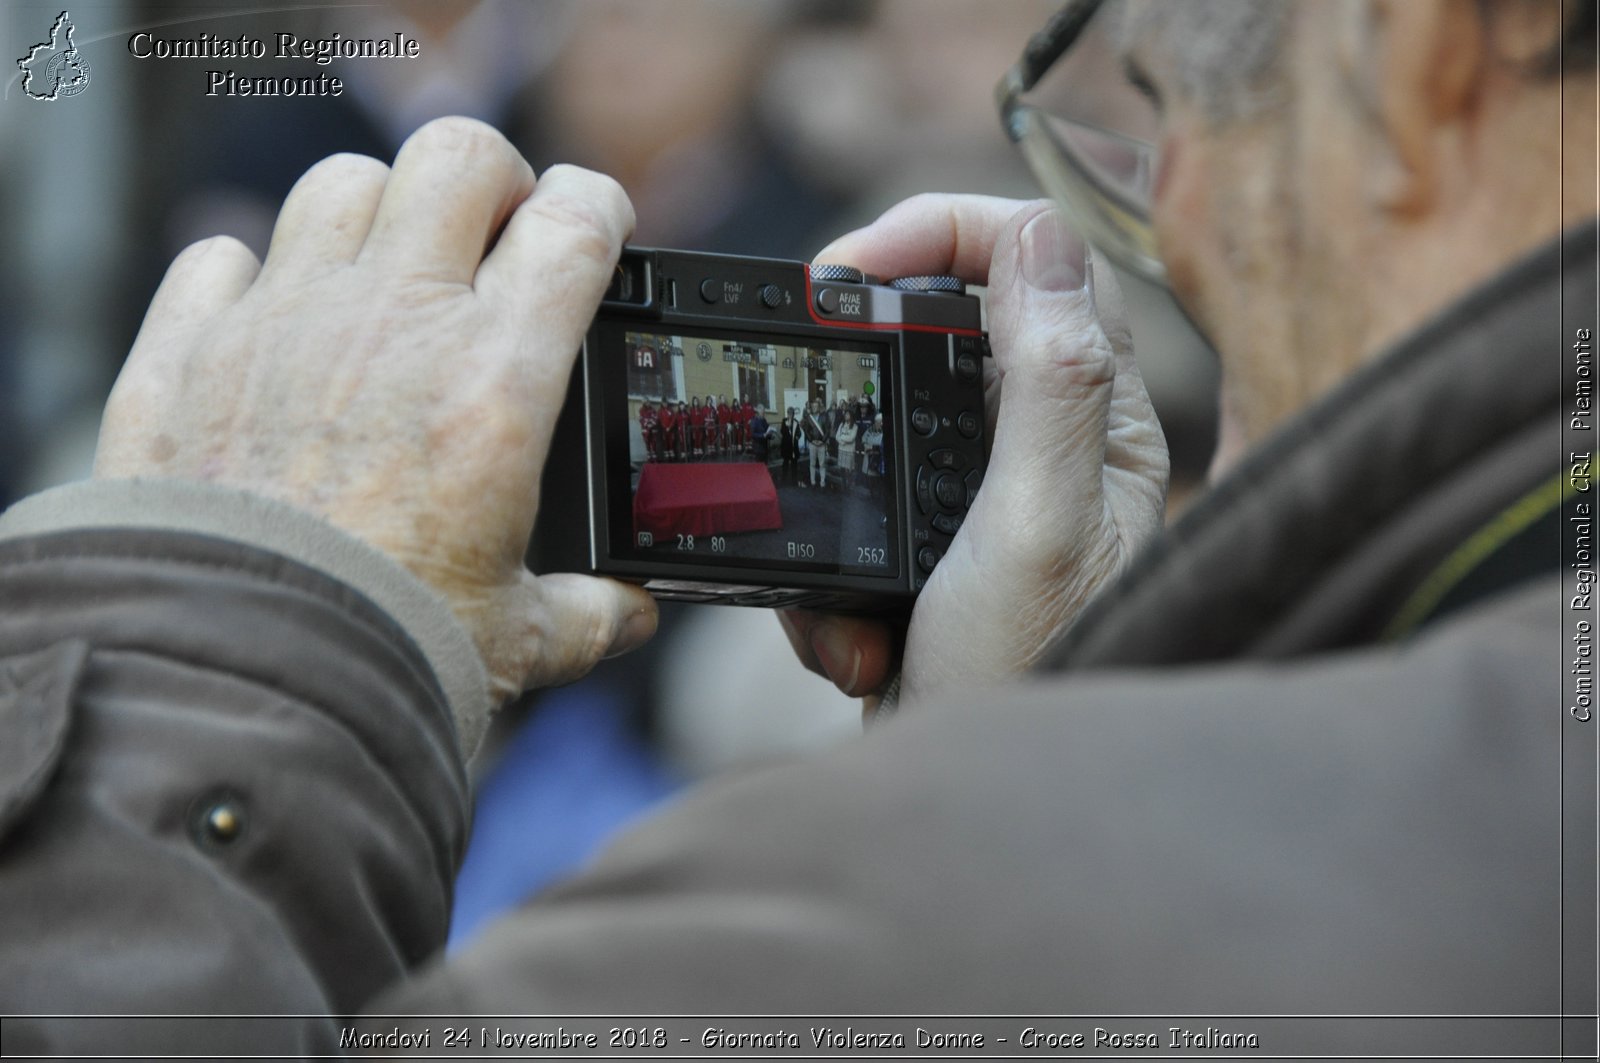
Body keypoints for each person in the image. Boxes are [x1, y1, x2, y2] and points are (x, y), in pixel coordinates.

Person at [0, 0, 1592, 1052]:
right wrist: (1053, 736)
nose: (1147, 226)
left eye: (1158, 109)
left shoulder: (844, 949)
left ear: (1423, 54)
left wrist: (229, 667)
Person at [802, 397, 830, 488]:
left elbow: (827, 430)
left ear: (819, 407)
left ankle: (822, 483)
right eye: (813, 407)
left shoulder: (824, 416)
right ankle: (813, 482)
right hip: (812, 444)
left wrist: (823, 441)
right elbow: (806, 430)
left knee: (822, 464)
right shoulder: (808, 418)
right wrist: (811, 440)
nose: (814, 408)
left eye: (816, 406)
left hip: (822, 444)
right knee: (812, 464)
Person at [835, 409, 859, 492]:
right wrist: (842, 440)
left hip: (849, 450)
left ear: (851, 416)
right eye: (845, 414)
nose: (846, 416)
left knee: (849, 470)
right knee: (842, 468)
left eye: (848, 414)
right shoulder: (841, 424)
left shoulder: (855, 426)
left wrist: (842, 438)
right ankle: (844, 484)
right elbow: (837, 436)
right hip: (841, 448)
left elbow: (851, 438)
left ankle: (849, 485)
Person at [780, 406, 801, 485]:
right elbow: (782, 431)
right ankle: (784, 480)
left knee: (794, 464)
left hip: (793, 447)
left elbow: (799, 432)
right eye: (789, 413)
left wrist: (798, 436)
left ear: (793, 414)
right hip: (786, 446)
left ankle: (794, 481)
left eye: (791, 414)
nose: (790, 415)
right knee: (785, 463)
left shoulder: (796, 422)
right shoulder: (784, 421)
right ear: (787, 413)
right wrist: (787, 427)